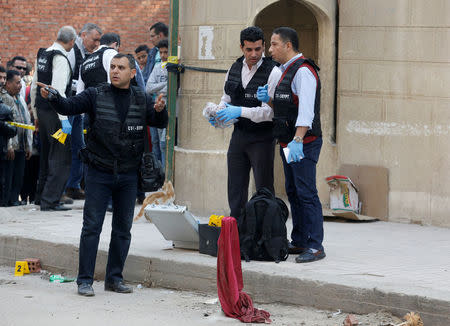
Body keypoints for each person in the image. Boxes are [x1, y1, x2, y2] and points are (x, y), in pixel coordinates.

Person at [37, 53, 168, 297]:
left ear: (132, 73)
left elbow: (159, 122)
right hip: (99, 172)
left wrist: (160, 111)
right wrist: (54, 97)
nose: (115, 71)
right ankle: (84, 280)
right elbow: (69, 105)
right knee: (92, 228)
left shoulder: (141, 97)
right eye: (113, 67)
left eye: (121, 67)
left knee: (122, 229)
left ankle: (114, 279)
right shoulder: (95, 94)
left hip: (129, 175)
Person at [257, 27, 324, 263]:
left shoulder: (303, 71)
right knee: (293, 191)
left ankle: (316, 245)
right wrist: (270, 101)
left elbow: (306, 111)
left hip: (303, 142)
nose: (270, 49)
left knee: (306, 193)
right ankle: (300, 240)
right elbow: (285, 108)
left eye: (274, 44)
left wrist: (297, 140)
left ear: (288, 46)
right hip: (289, 141)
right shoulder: (285, 71)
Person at [212, 26, 281, 219]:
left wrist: (239, 111)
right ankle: (238, 237)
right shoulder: (233, 69)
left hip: (263, 138)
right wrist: (217, 114)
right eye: (249, 49)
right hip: (239, 136)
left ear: (264, 46)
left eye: (258, 49)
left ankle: (264, 237)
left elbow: (269, 113)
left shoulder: (273, 71)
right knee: (235, 189)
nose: (254, 54)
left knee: (264, 190)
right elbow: (226, 100)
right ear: (241, 47)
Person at [30, 25, 77, 211]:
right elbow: (57, 92)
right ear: (71, 41)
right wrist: (64, 119)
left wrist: (35, 113)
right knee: (61, 154)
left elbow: (34, 86)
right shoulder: (61, 58)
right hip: (55, 116)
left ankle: (41, 197)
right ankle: (51, 201)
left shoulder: (43, 54)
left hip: (42, 113)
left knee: (47, 154)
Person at [65, 23, 103, 200]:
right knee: (65, 146)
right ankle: (64, 186)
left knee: (79, 147)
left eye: (98, 40)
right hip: (70, 106)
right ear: (83, 35)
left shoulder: (88, 55)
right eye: (94, 39)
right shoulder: (72, 51)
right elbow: (67, 81)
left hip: (80, 106)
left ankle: (73, 185)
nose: (96, 44)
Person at [0, 70, 32, 206]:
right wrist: (10, 146)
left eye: (21, 83)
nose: (20, 86)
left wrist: (29, 145)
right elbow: (7, 123)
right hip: (12, 145)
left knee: (19, 177)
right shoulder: (5, 98)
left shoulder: (19, 98)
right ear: (8, 83)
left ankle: (14, 199)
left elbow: (27, 121)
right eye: (17, 82)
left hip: (22, 145)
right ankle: (8, 201)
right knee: (8, 177)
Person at [146, 39, 169, 169]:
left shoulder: (173, 67)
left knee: (164, 144)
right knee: (156, 142)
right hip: (157, 108)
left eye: (166, 52)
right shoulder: (157, 66)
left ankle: (166, 175)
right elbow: (148, 88)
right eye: (161, 52)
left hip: (169, 109)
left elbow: (173, 88)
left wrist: (159, 87)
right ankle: (158, 173)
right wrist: (165, 84)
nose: (163, 56)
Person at [0, 98, 17, 206]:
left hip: (1, 150)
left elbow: (13, 130)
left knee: (2, 180)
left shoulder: (4, 109)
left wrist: (2, 125)